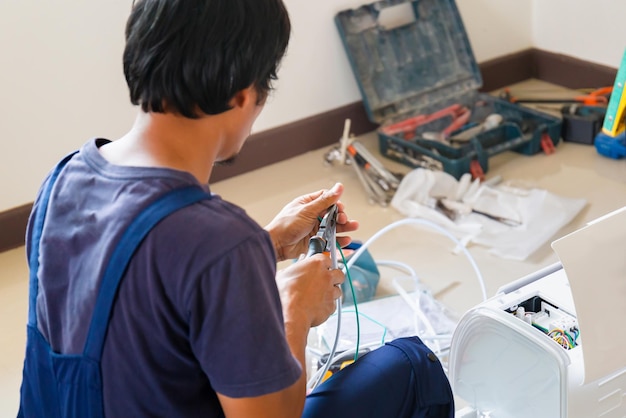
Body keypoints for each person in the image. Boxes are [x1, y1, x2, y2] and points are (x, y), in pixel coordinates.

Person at [18, 0, 454, 417]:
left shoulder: (63, 179)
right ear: (246, 96)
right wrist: (295, 309)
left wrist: (265, 245)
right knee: (412, 368)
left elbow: (136, 295)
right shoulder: (221, 243)